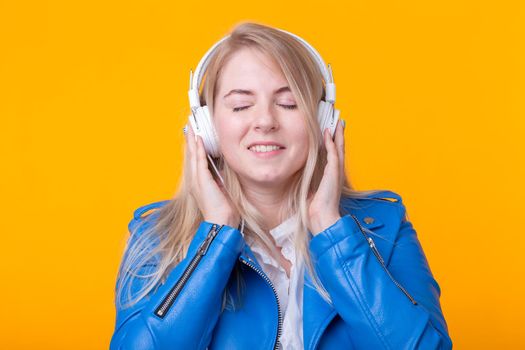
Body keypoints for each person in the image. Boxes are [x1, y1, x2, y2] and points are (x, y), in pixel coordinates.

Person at [110, 22, 452, 349]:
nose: (265, 122)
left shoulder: (385, 228)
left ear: (323, 121)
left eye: (288, 103)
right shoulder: (156, 236)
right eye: (241, 105)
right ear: (206, 128)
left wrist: (332, 232)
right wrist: (215, 237)